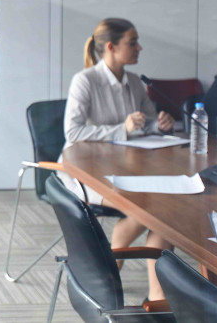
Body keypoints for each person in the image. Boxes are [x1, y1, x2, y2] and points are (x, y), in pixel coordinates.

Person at [61, 18, 174, 301]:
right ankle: (152, 295)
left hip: (127, 169)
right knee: (156, 210)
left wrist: (159, 124)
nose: (139, 47)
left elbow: (144, 123)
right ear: (111, 47)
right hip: (86, 172)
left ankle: (125, 279)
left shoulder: (135, 82)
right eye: (132, 42)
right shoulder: (85, 80)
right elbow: (73, 132)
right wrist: (121, 127)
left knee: (161, 208)